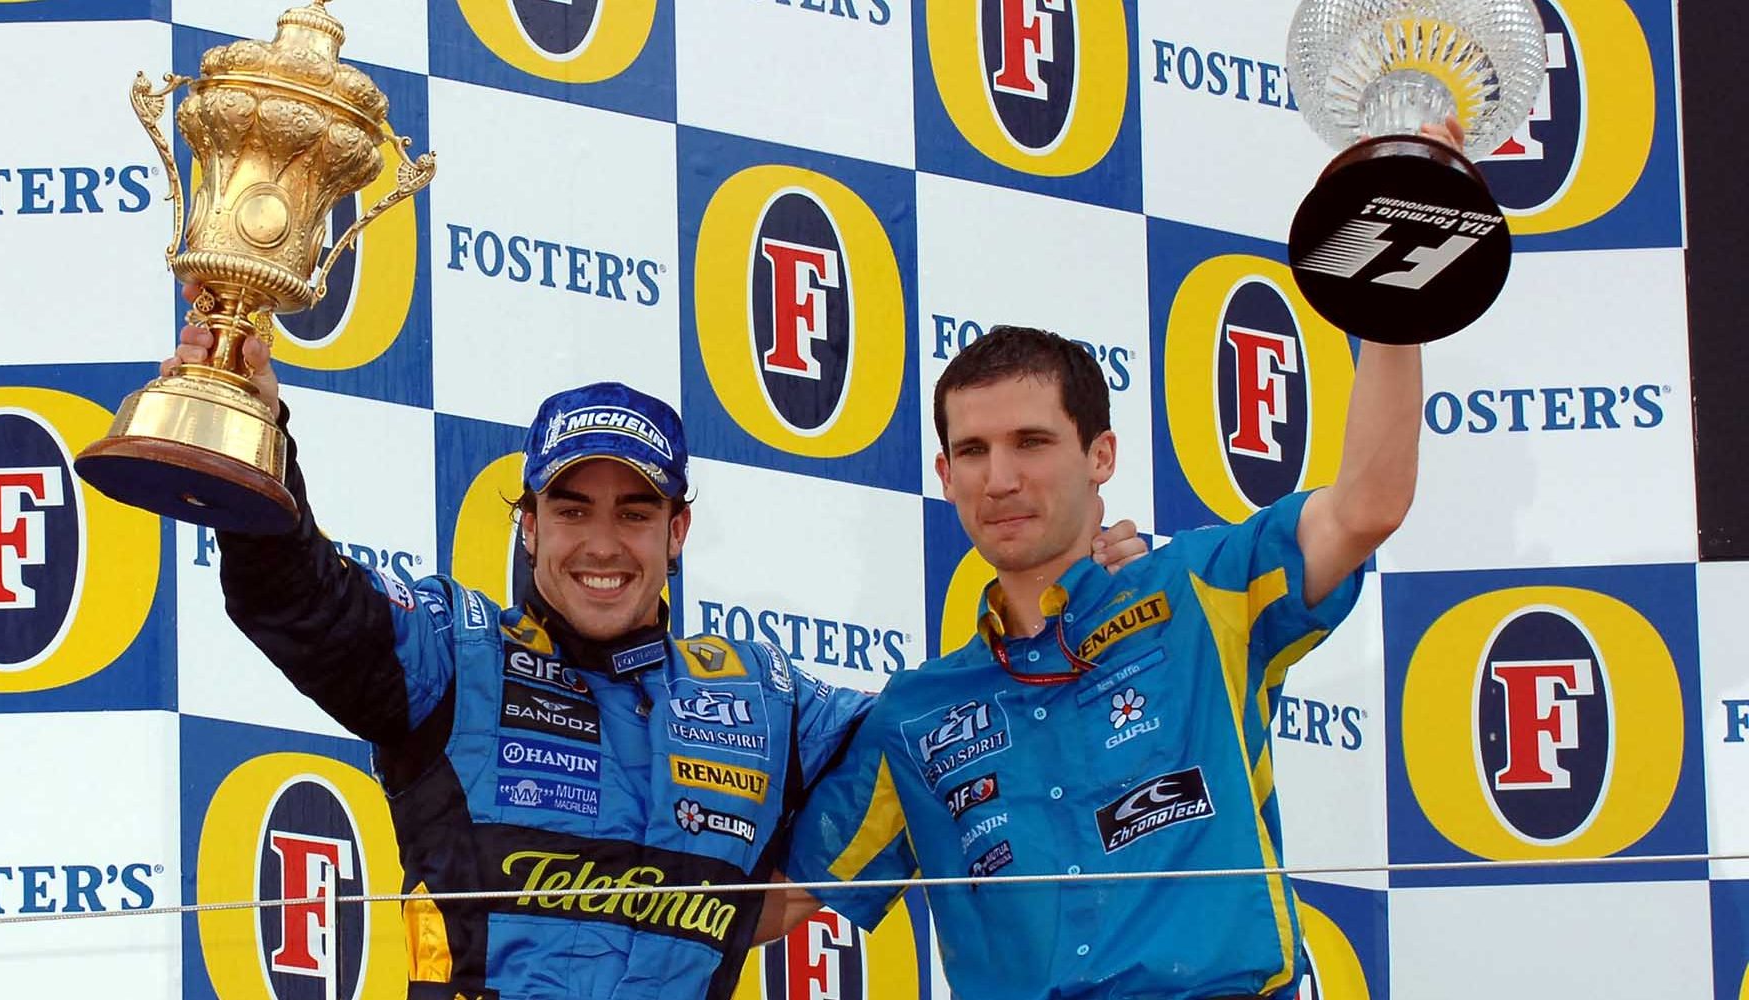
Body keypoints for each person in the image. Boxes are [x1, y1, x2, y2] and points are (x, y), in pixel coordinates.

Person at [165, 298, 1149, 999]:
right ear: (528, 524)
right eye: (572, 508)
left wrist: (1083, 601)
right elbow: (301, 600)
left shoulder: (763, 697)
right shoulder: (453, 653)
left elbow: (951, 738)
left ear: (677, 532)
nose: (602, 544)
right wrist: (254, 428)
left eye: (635, 513)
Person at [778, 319, 1422, 999]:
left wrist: (1393, 316)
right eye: (972, 450)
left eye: (1031, 442)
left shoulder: (1198, 589)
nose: (999, 479)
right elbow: (769, 901)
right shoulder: (916, 711)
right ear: (944, 475)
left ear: (1101, 455)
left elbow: (1366, 508)